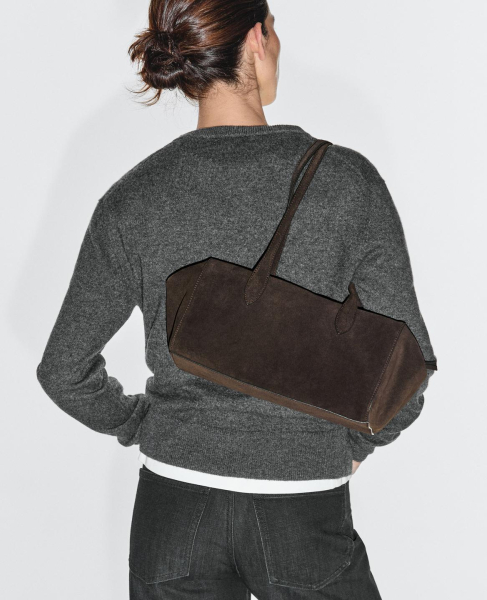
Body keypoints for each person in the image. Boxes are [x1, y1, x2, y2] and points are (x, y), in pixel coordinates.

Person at [36, 1, 437, 598]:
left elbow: (62, 370)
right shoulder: (347, 183)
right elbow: (411, 365)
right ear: (257, 37)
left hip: (173, 511)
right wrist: (350, 444)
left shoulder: (134, 196)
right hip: (302, 508)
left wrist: (143, 424)